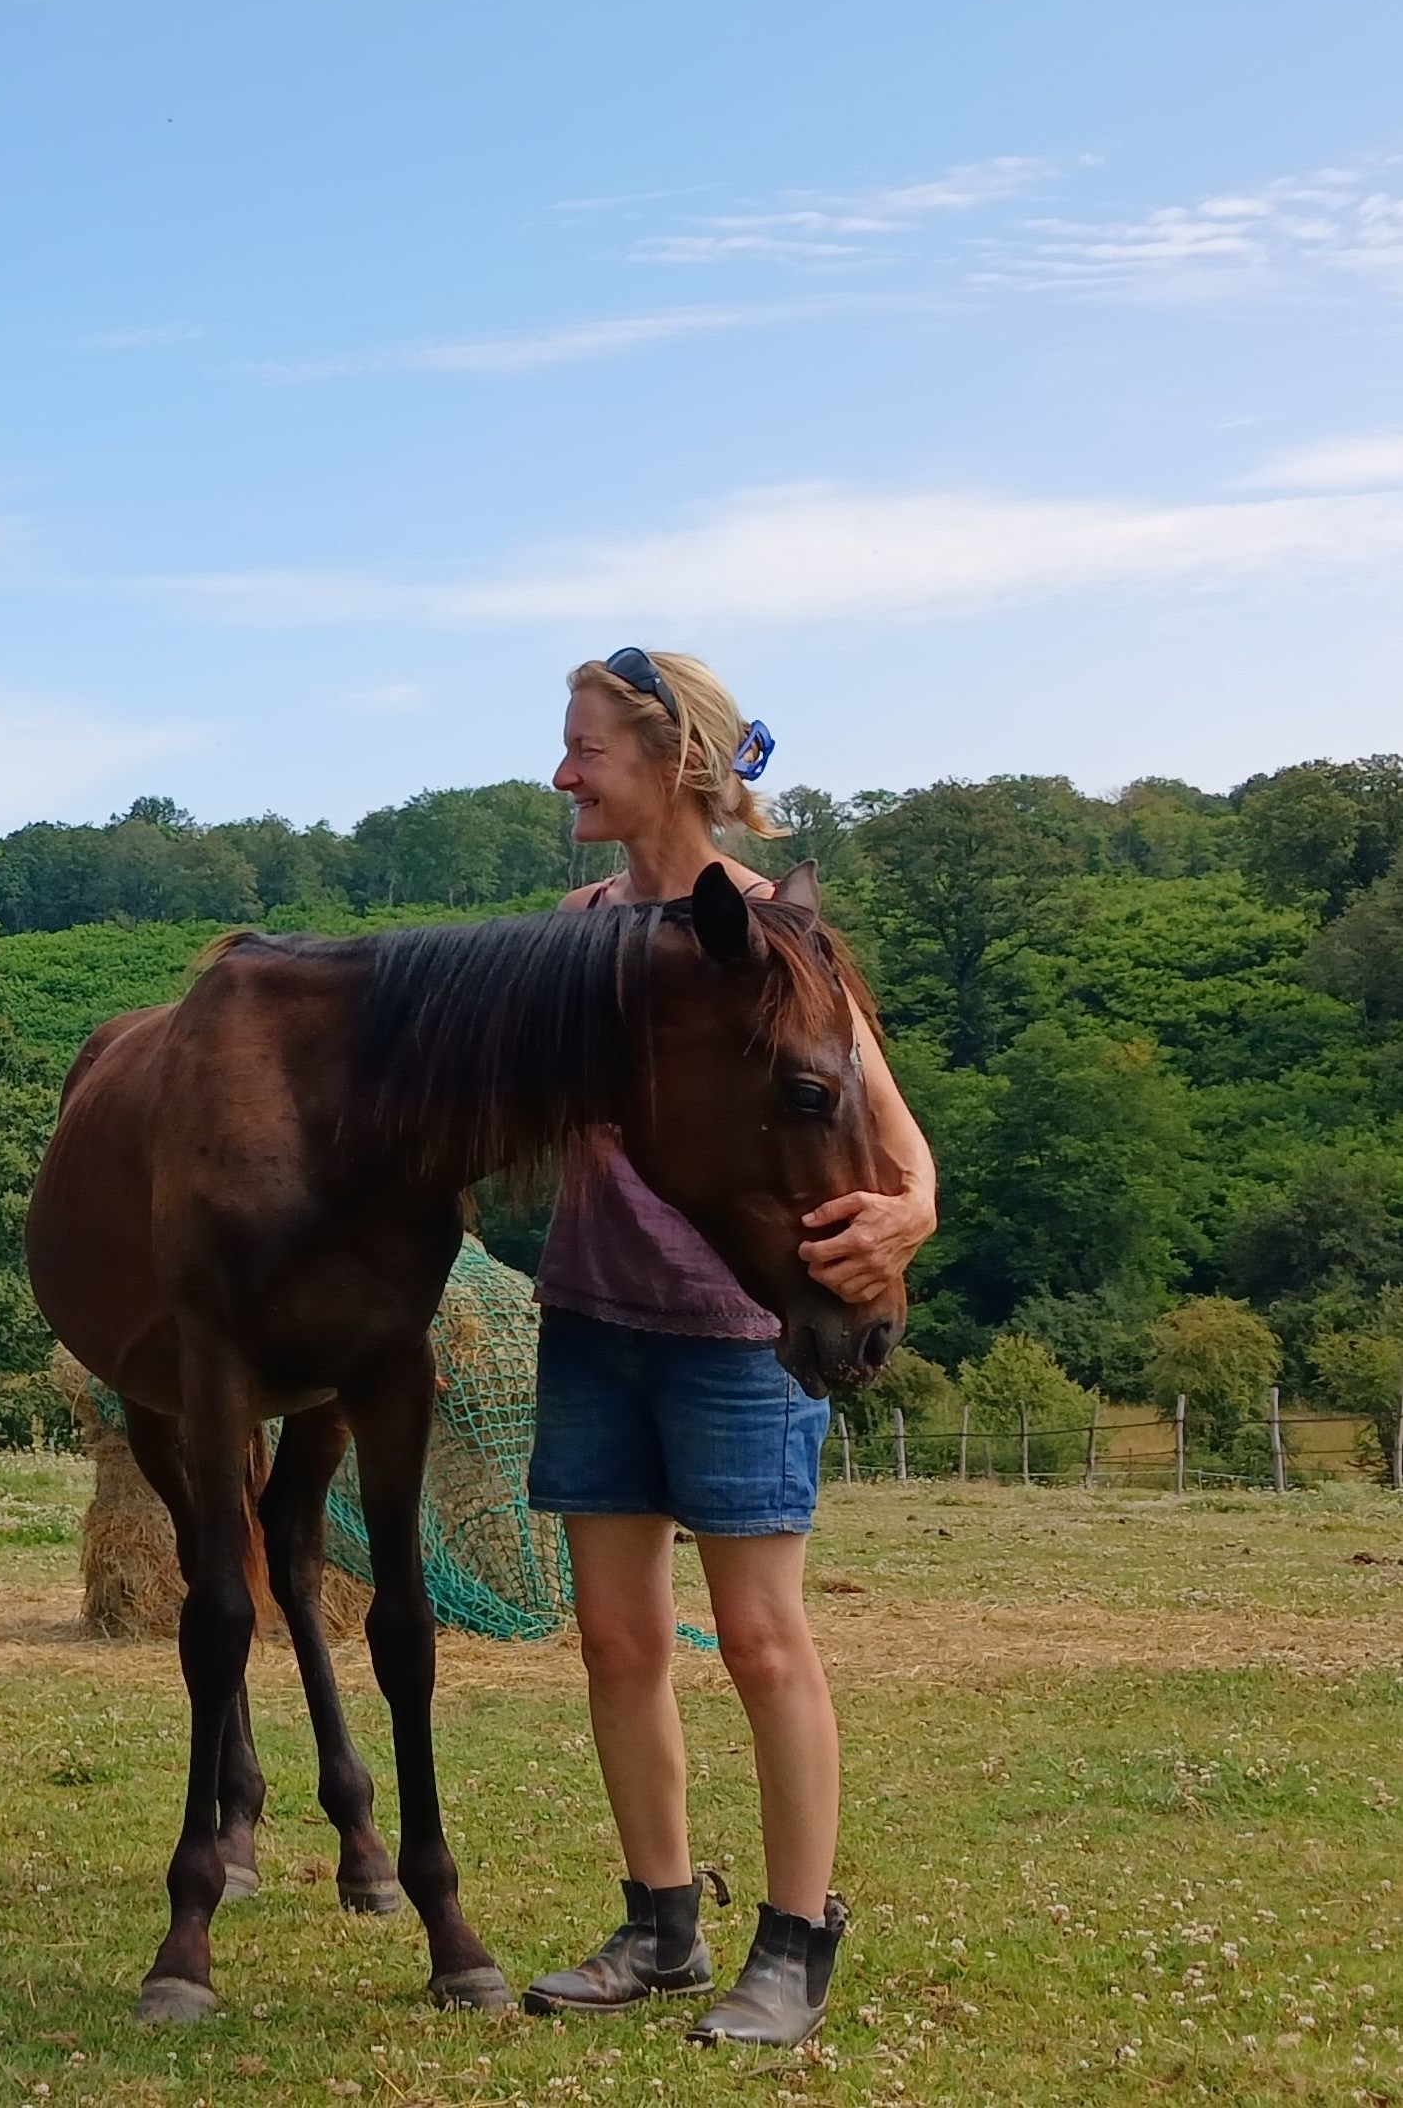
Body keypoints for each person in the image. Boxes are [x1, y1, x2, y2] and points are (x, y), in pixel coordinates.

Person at [517, 648, 936, 2047]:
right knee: (618, 1640)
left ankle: (795, 1939)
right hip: (591, 1313)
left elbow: (885, 1124)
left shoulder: (773, 934)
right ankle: (659, 1927)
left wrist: (912, 1212)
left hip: (734, 1335)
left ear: (673, 763)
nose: (562, 772)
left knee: (759, 1641)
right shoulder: (575, 929)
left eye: (585, 749)